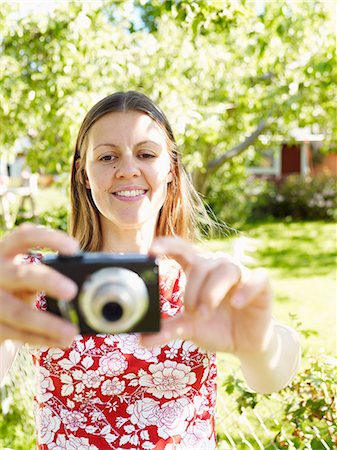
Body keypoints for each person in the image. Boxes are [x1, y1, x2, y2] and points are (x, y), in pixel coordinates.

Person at [0, 91, 301, 449]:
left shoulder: (204, 279)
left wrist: (258, 343)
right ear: (84, 173)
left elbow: (273, 375)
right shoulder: (41, 280)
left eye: (146, 154)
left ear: (171, 170)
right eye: (108, 156)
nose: (127, 169)